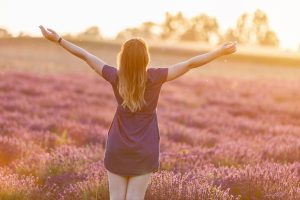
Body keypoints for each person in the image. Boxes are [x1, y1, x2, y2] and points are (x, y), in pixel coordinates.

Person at [39, 25, 237, 200]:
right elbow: (190, 64)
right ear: (145, 58)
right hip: (145, 149)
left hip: (117, 147)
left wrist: (59, 40)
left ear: (122, 58)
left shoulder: (115, 76)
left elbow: (86, 56)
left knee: (116, 198)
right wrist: (219, 52)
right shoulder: (155, 77)